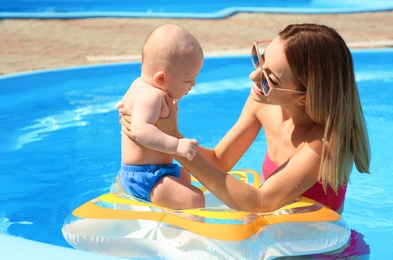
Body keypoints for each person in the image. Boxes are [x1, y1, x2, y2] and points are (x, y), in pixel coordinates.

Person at [119, 23, 370, 214]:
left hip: (315, 247)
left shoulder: (325, 144)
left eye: (270, 78)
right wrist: (163, 140)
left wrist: (172, 140)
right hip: (272, 232)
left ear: (304, 97)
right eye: (260, 60)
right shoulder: (264, 103)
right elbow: (220, 160)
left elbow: (261, 202)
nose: (254, 77)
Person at [117, 24, 205, 209]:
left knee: (184, 176)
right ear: (161, 79)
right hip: (146, 177)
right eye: (188, 80)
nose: (194, 84)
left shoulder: (138, 84)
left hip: (149, 172)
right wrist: (177, 145)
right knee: (195, 198)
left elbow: (122, 106)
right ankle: (189, 235)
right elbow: (141, 131)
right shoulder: (152, 95)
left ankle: (172, 215)